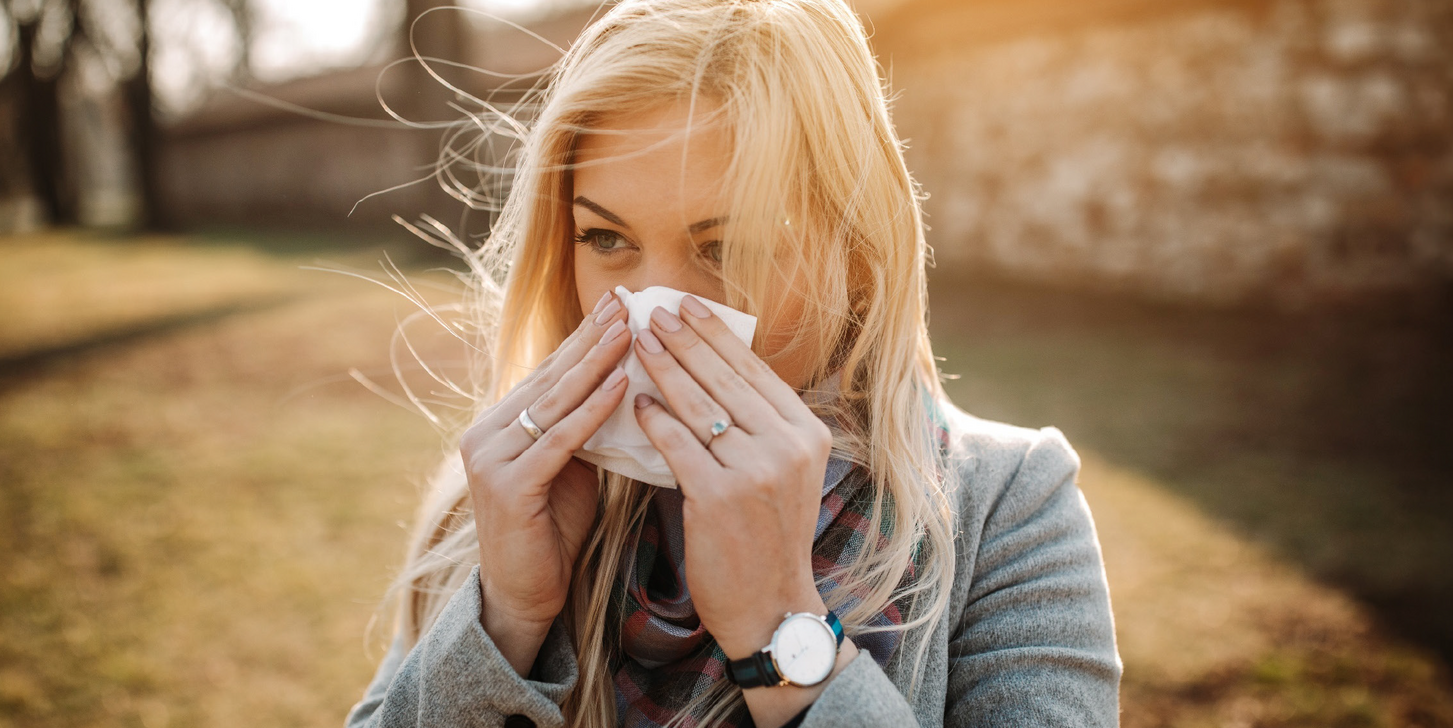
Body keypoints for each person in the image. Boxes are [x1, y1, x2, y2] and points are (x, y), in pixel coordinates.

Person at [346, 1, 1118, 726]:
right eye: (607, 240)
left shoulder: (1007, 509)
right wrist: (506, 619)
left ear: (858, 257)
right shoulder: (499, 497)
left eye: (727, 249)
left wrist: (779, 625)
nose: (657, 314)